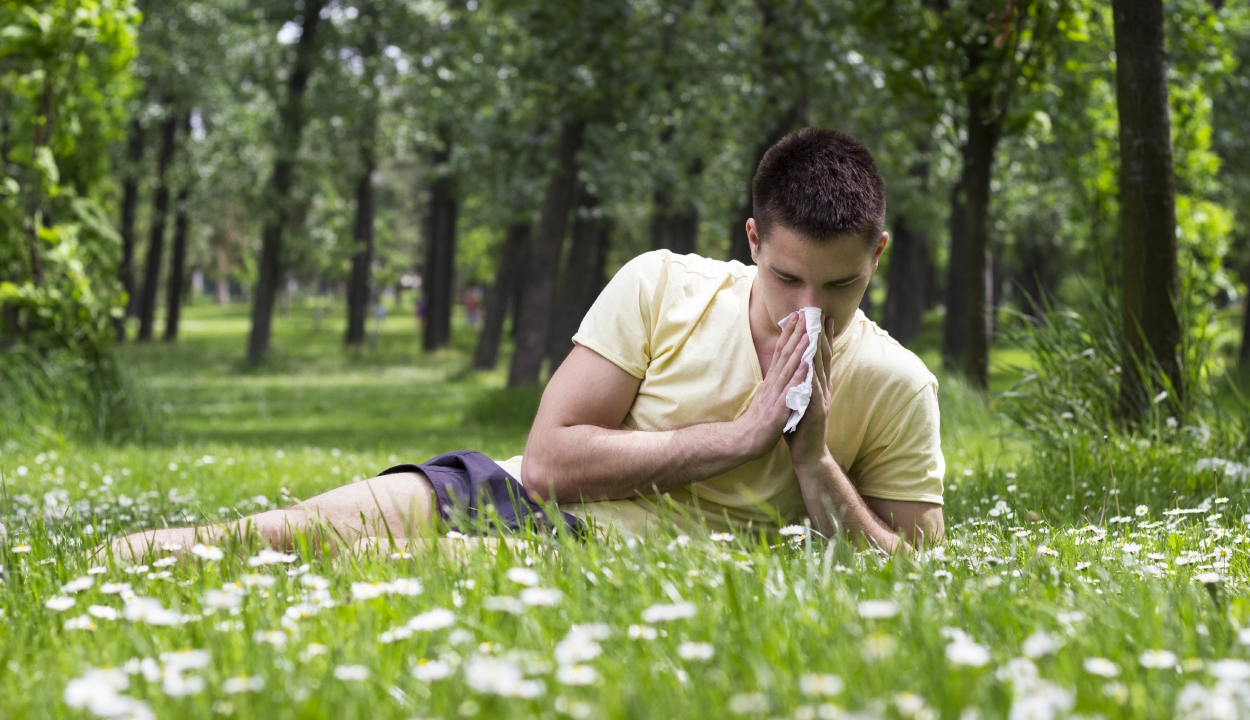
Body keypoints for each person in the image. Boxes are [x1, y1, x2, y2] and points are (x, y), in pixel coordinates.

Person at [112, 128, 943, 559]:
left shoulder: (898, 386)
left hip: (601, 556)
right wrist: (738, 436)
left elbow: (914, 572)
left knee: (361, 568)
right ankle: (118, 557)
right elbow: (547, 461)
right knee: (272, 537)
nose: (810, 310)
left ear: (877, 256)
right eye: (789, 278)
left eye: (840, 287)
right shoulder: (663, 284)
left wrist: (813, 463)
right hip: (513, 491)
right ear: (755, 239)